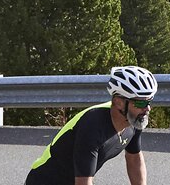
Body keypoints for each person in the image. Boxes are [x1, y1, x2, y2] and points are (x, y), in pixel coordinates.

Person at [25, 66, 158, 185]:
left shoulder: (133, 119)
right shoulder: (92, 126)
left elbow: (134, 158)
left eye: (149, 102)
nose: (147, 109)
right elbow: (84, 182)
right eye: (141, 103)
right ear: (119, 103)